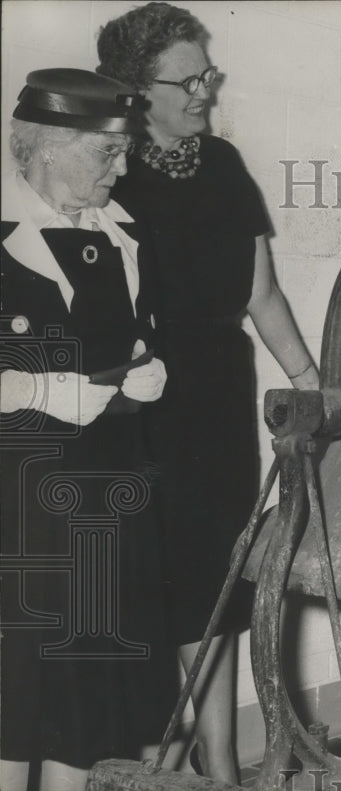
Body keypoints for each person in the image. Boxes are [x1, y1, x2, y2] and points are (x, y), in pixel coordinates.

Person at [96, 2, 320, 782]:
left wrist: (309, 382)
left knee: (221, 585)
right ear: (136, 89)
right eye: (186, 80)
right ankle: (157, 760)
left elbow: (262, 295)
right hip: (141, 399)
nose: (204, 92)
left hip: (222, 394)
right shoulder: (111, 170)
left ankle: (224, 764)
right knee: (156, 585)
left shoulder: (222, 164)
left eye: (207, 75)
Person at [0, 68, 173, 791]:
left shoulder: (125, 239)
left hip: (107, 497)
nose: (123, 167)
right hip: (19, 508)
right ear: (46, 149)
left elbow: (133, 340)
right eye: (108, 153)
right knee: (16, 685)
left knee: (91, 684)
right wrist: (39, 389)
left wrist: (150, 371)